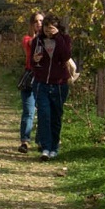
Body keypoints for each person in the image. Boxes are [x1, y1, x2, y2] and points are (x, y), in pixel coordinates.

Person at [29, 14, 72, 160]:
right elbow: (32, 63)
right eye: (46, 30)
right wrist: (35, 61)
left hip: (59, 84)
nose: (49, 32)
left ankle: (54, 146)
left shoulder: (64, 39)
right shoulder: (37, 41)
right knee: (44, 115)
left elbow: (66, 56)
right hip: (41, 83)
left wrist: (58, 37)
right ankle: (45, 147)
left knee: (56, 116)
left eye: (51, 29)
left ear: (57, 28)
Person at [18, 12, 44, 153]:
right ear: (31, 24)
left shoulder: (50, 40)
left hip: (44, 78)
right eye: (36, 21)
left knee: (43, 111)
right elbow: (32, 43)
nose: (39, 23)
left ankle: (41, 140)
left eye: (41, 21)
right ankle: (25, 141)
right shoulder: (28, 39)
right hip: (30, 77)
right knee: (28, 111)